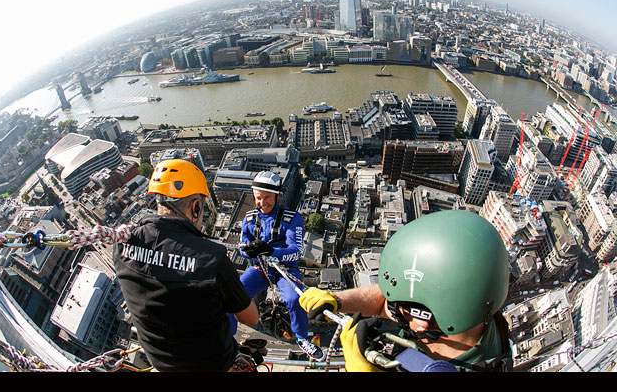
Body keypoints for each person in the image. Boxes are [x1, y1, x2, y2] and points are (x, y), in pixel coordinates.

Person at [299, 210, 513, 372]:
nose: (418, 326)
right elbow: (385, 302)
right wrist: (337, 301)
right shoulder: (468, 310)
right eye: (409, 311)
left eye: (432, 318)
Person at [113, 159, 259, 372]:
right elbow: (251, 318)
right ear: (196, 206)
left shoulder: (123, 243)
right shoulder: (211, 257)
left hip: (161, 365)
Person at [239, 171, 325, 362]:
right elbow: (242, 247)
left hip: (285, 269)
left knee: (295, 299)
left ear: (277, 196)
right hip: (261, 268)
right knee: (234, 291)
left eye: (267, 197)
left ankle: (302, 338)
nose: (262, 203)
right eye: (258, 198)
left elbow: (296, 251)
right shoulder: (250, 218)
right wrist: (249, 251)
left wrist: (271, 251)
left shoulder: (292, 219)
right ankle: (226, 331)